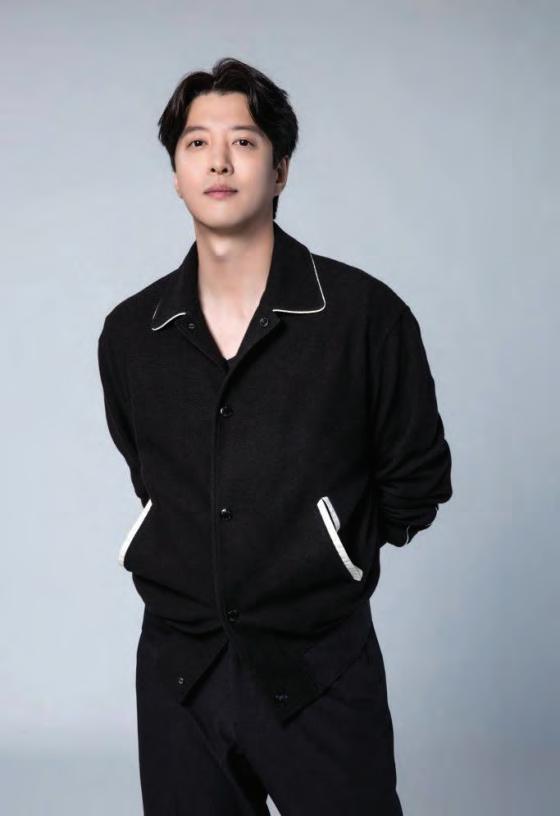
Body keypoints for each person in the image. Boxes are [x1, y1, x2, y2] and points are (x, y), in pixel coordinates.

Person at [97, 56, 453, 815]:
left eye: (244, 141)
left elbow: (416, 480)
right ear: (175, 173)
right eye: (197, 143)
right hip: (181, 675)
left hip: (321, 666)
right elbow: (148, 471)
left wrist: (330, 551)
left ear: (281, 168)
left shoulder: (365, 316)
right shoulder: (131, 333)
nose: (219, 161)